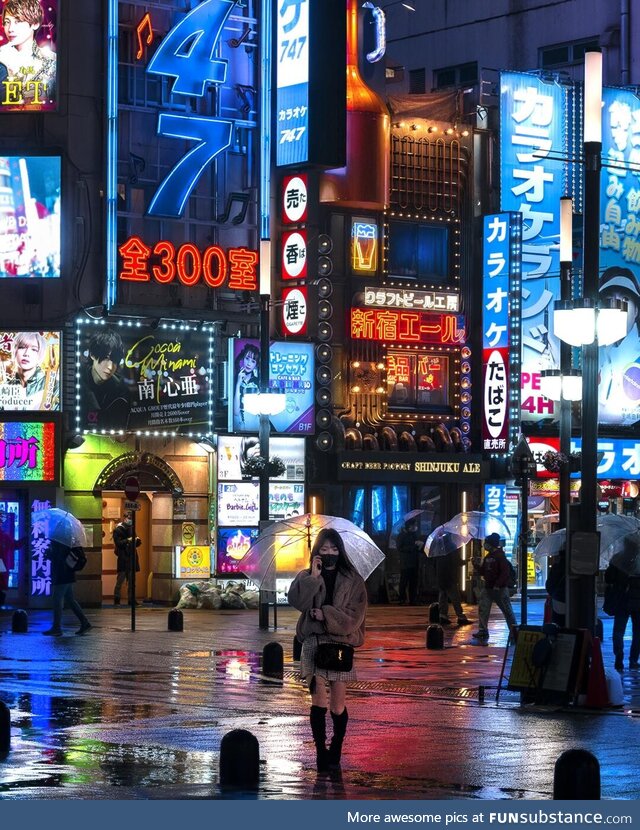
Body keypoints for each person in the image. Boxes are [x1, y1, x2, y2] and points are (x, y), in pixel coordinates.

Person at [288, 528, 367, 773]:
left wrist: (327, 615)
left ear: (340, 551)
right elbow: (297, 602)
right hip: (313, 643)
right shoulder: (307, 575)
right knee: (318, 700)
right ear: (317, 552)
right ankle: (321, 751)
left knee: (337, 705)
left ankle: (336, 747)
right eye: (324, 549)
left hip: (340, 645)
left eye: (334, 549)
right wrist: (313, 577)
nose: (330, 553)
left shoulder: (354, 579)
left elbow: (355, 616)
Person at [597, 267, 640, 426]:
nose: (617, 307)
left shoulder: (636, 358)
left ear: (636, 311)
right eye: (609, 299)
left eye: (625, 300)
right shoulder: (599, 351)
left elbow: (615, 416)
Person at [0, 1, 57, 108]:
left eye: (18, 22)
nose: (11, 29)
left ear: (35, 24)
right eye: (7, 22)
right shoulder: (1, 58)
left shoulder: (52, 60)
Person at [79, 330, 131, 430]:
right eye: (106, 358)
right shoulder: (77, 381)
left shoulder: (120, 390)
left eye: (115, 361)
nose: (110, 367)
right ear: (92, 355)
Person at [472, 533, 518, 643]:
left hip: (499, 589)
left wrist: (498, 584)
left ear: (490, 544)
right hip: (490, 587)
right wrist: (476, 566)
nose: (484, 546)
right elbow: (483, 571)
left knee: (506, 610)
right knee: (485, 609)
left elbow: (504, 573)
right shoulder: (490, 556)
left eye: (486, 543)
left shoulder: (499, 556)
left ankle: (514, 631)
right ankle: (483, 630)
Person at [604, 538, 640, 673]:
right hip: (638, 602)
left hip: (621, 600)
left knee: (618, 630)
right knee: (638, 632)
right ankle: (633, 660)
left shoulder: (618, 558)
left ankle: (619, 654)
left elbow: (608, 577)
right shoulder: (638, 560)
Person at [43, 540, 91, 636]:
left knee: (57, 598)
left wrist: (49, 553)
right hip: (68, 573)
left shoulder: (60, 540)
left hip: (63, 574)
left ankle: (56, 628)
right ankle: (85, 622)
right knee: (70, 599)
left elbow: (60, 557)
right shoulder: (70, 539)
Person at [6, 330, 59, 410]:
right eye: (22, 347)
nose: (26, 353)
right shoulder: (5, 387)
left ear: (40, 354)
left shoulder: (53, 386)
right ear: (14, 351)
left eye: (34, 349)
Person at [435, 542, 472, 626]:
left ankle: (443, 616)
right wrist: (467, 560)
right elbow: (458, 561)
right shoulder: (452, 547)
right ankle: (461, 617)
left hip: (440, 576)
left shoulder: (438, 549)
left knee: (442, 597)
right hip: (450, 577)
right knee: (455, 598)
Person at [112, 511, 141, 606]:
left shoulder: (131, 528)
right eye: (129, 518)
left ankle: (131, 600)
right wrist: (127, 540)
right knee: (120, 580)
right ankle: (117, 598)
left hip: (132, 558)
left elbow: (136, 543)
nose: (130, 520)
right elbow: (118, 543)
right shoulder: (118, 530)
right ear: (124, 518)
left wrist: (137, 541)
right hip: (123, 558)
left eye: (131, 518)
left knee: (132, 582)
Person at [233, 343, 260, 428]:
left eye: (253, 361)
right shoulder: (235, 379)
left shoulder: (257, 382)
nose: (249, 363)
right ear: (243, 359)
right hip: (239, 422)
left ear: (256, 365)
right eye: (247, 359)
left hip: (255, 422)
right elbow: (235, 412)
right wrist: (238, 384)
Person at [396, 518, 422, 605]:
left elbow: (417, 548)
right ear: (409, 526)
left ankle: (413, 599)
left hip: (415, 561)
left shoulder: (414, 535)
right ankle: (402, 599)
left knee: (414, 582)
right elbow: (400, 548)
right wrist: (413, 546)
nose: (415, 527)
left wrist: (420, 545)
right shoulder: (402, 535)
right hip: (406, 562)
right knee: (404, 581)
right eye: (414, 525)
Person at [544, 547, 566, 627]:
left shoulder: (556, 567)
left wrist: (554, 594)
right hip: (575, 602)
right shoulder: (577, 567)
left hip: (558, 600)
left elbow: (549, 586)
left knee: (558, 625)